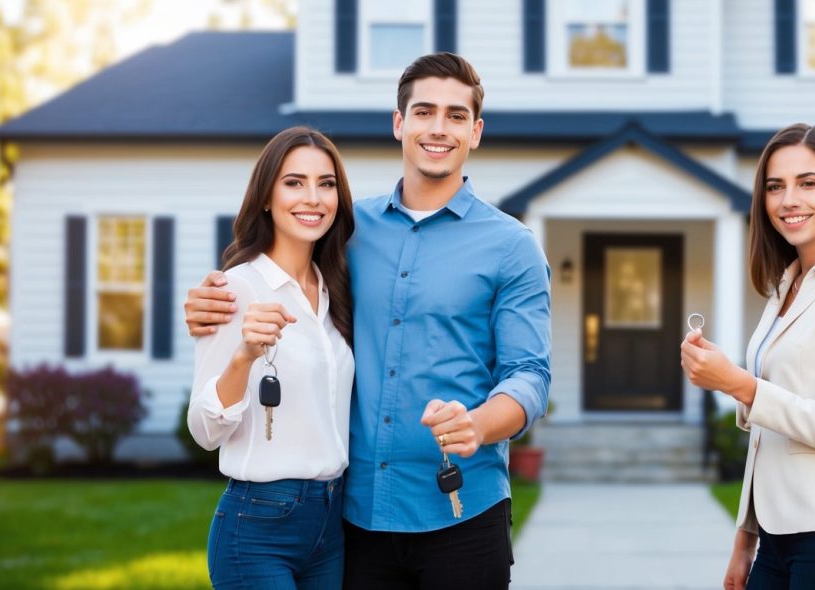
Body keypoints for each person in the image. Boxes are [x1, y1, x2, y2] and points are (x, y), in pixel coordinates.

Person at [185, 53, 551, 590]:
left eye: (455, 116)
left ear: (475, 132)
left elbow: (530, 374)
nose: (438, 128)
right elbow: (280, 271)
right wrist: (209, 303)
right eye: (424, 111)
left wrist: (480, 422)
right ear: (399, 123)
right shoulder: (347, 234)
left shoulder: (512, 247)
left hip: (463, 516)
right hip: (355, 522)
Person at [680, 123, 815, 590]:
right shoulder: (786, 285)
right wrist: (745, 541)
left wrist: (735, 382)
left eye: (808, 183)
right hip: (777, 541)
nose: (788, 200)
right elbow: (766, 434)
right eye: (775, 186)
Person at [187, 126, 355, 589]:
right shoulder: (235, 289)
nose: (313, 198)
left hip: (332, 524)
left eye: (326, 184)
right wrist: (243, 357)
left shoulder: (335, 289)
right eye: (294, 182)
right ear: (266, 196)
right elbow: (203, 430)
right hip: (258, 526)